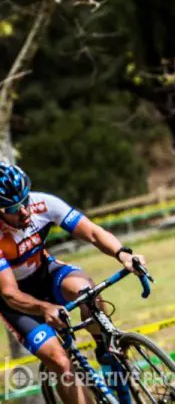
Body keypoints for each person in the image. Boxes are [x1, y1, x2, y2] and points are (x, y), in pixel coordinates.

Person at [0, 163, 146, 403]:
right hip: (17, 302)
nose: (24, 211)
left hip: (46, 272)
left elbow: (92, 232)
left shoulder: (42, 204)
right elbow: (9, 293)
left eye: (24, 201)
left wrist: (124, 254)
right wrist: (44, 308)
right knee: (59, 360)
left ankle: (106, 351)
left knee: (88, 294)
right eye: (13, 208)